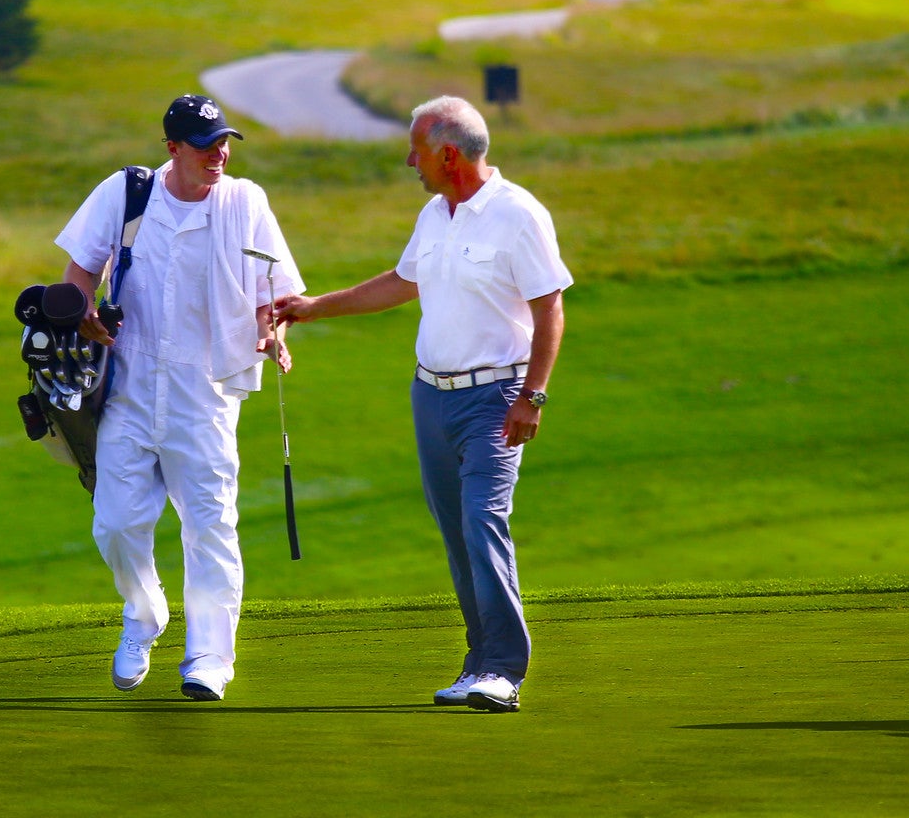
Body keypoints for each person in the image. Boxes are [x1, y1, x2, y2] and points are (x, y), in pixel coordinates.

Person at [274, 95, 570, 713]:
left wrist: (532, 397)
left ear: (448, 153)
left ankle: (503, 670)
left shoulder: (519, 215)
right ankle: (477, 662)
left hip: (496, 399)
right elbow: (402, 282)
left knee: (481, 522)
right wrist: (313, 306)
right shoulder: (436, 214)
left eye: (416, 150)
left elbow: (550, 310)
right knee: (456, 535)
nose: (410, 161)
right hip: (430, 396)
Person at [57, 94, 303, 702]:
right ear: (173, 149)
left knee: (211, 524)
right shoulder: (127, 193)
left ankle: (210, 658)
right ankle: (144, 616)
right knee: (114, 525)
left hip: (207, 388)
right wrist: (84, 310)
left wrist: (273, 333)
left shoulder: (247, 203)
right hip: (130, 384)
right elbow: (80, 270)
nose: (219, 153)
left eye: (224, 142)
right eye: (205, 144)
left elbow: (277, 293)